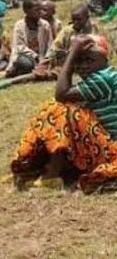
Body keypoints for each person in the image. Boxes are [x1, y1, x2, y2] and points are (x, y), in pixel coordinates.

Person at [11, 35, 117, 193]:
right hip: (102, 145)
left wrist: (72, 53)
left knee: (63, 109)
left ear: (105, 59)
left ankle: (52, 175)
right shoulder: (99, 78)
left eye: (89, 60)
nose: (83, 66)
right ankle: (37, 164)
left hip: (111, 151)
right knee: (59, 109)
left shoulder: (104, 79)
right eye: (78, 61)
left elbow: (61, 94)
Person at [6, 0, 53, 78]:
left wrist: (46, 58)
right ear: (26, 11)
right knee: (26, 64)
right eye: (36, 10)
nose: (40, 12)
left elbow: (50, 44)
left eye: (40, 9)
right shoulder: (19, 25)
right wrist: (36, 57)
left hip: (42, 57)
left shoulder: (45, 25)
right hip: (27, 56)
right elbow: (20, 47)